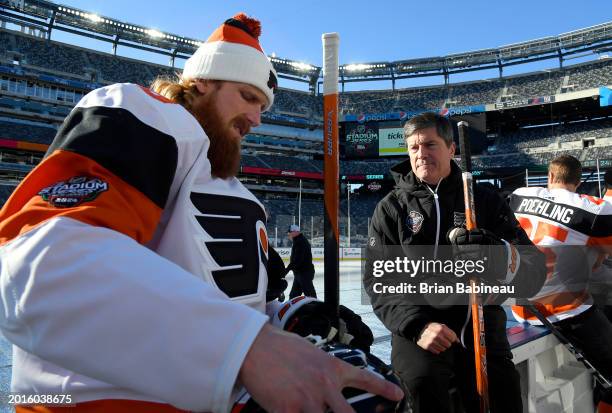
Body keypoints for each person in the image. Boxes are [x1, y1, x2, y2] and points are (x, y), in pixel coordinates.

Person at [0, 13, 403, 412]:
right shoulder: (145, 117)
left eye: (263, 106)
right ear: (202, 81)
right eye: (248, 97)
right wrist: (243, 347)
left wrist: (289, 316)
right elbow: (42, 264)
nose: (257, 119)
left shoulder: (230, 185)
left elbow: (215, 298)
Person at [364, 112, 546, 413]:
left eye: (430, 145)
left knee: (502, 395)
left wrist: (497, 253)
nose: (421, 154)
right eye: (414, 147)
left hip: (480, 321)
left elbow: (534, 271)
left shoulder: (484, 200)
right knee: (421, 384)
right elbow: (379, 280)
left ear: (451, 148)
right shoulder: (391, 208)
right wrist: (417, 326)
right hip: (420, 322)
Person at [509, 155, 612, 412]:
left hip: (521, 308)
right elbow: (602, 256)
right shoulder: (593, 208)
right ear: (578, 182)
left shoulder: (520, 194)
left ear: (550, 177)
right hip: (564, 311)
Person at [286, 224, 317, 298]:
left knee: (310, 295)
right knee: (294, 295)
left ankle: (317, 308)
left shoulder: (300, 242)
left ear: (295, 232)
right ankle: (294, 308)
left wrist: (286, 270)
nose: (288, 234)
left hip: (304, 273)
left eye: (289, 232)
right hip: (300, 273)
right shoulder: (298, 241)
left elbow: (297, 260)